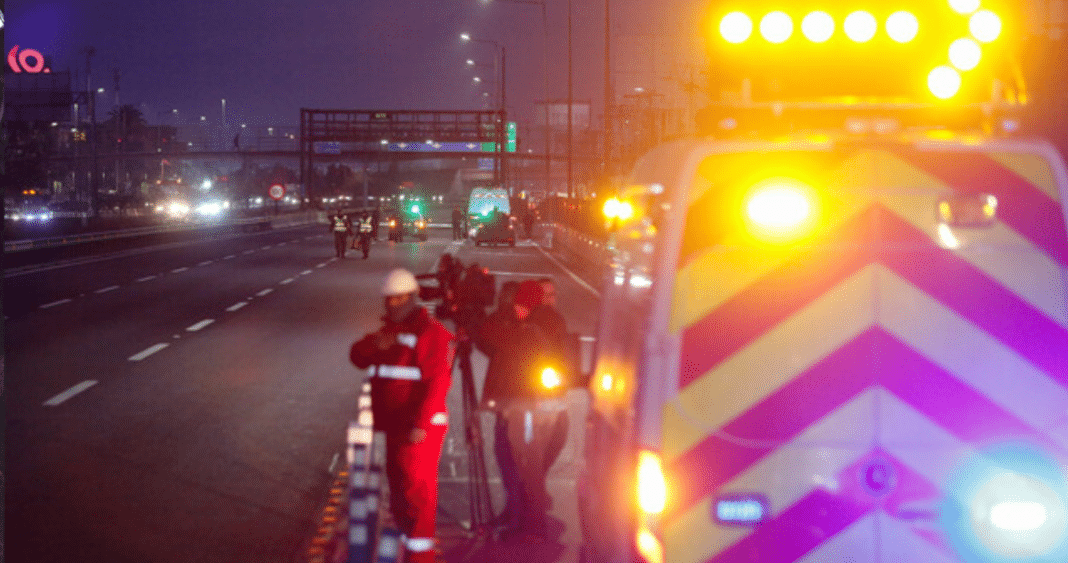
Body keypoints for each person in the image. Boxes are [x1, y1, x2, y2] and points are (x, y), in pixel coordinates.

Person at [350, 269, 455, 563]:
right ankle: (412, 548)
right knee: (400, 493)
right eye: (389, 299)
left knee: (416, 495)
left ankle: (421, 557)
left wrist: (421, 424)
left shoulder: (430, 332)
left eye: (399, 298)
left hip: (420, 429)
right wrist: (374, 346)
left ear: (411, 298)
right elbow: (357, 356)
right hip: (397, 425)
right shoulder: (390, 333)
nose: (393, 304)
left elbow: (438, 382)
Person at [476, 279, 561, 538]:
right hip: (520, 409)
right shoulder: (526, 327)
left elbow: (492, 338)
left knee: (519, 463)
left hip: (526, 410)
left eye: (519, 304)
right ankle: (521, 515)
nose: (516, 309)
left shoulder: (531, 330)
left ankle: (525, 520)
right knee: (515, 461)